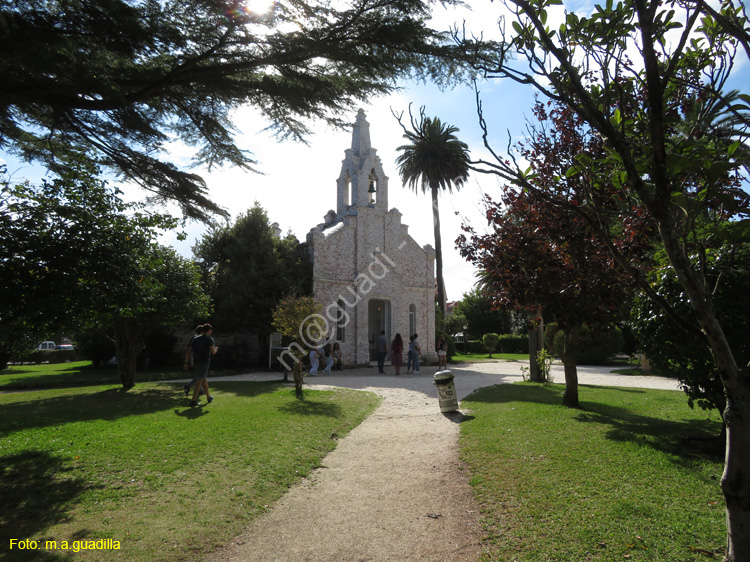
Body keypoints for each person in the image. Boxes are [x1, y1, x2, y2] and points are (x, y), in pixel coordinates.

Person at [189, 324, 218, 407]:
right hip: (204, 362)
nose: (211, 332)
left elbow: (189, 351)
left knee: (204, 380)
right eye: (211, 330)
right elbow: (213, 352)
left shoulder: (195, 338)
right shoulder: (209, 339)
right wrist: (216, 349)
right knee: (200, 381)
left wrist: (186, 362)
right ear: (209, 330)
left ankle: (208, 397)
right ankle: (193, 400)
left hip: (196, 361)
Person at [183, 324, 205, 396]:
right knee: (200, 374)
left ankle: (200, 390)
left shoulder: (195, 337)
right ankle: (188, 386)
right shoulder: (197, 338)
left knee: (200, 374)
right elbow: (192, 350)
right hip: (196, 357)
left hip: (195, 357)